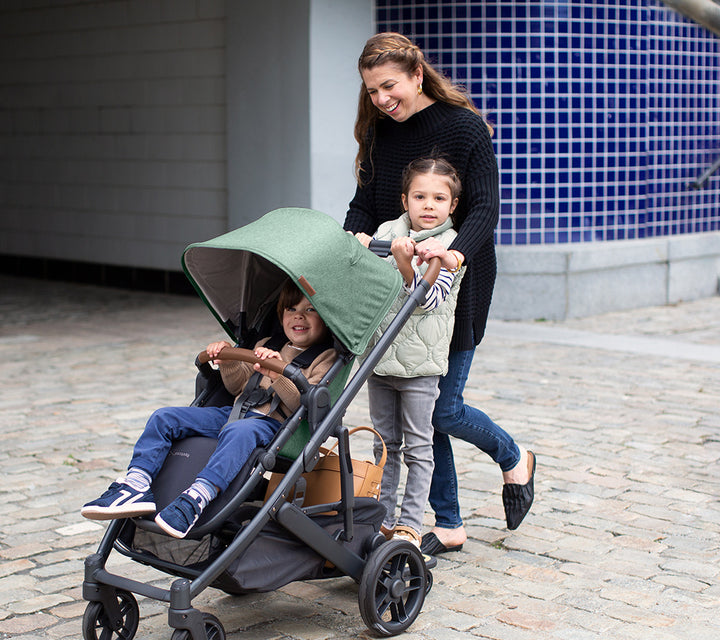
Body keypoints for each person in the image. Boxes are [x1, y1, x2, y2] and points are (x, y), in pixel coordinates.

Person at [343, 32, 536, 554]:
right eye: (372, 90)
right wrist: (352, 240)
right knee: (422, 403)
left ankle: (513, 455)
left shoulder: (465, 128)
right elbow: (365, 204)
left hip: (460, 281)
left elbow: (485, 209)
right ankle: (448, 523)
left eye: (389, 86)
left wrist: (455, 255)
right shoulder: (380, 134)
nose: (381, 99)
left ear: (416, 76)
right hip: (397, 283)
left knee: (442, 409)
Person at [81, 280, 337, 539]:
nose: (298, 317)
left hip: (276, 426)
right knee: (164, 417)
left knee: (240, 431)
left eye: (310, 310)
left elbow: (303, 404)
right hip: (235, 412)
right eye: (290, 309)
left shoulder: (325, 358)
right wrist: (227, 360)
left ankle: (196, 498)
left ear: (325, 319)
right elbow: (237, 386)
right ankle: (135, 485)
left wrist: (278, 373)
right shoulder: (267, 342)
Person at [356, 157, 465, 548]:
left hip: (421, 366)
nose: (429, 205)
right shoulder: (387, 232)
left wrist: (407, 268)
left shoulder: (450, 248)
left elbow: (430, 300)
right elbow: (368, 284)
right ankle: (380, 518)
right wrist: (363, 249)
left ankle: (410, 525)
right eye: (420, 196)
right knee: (384, 444)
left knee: (420, 447)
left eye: (439, 198)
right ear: (406, 199)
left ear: (452, 205)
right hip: (380, 360)